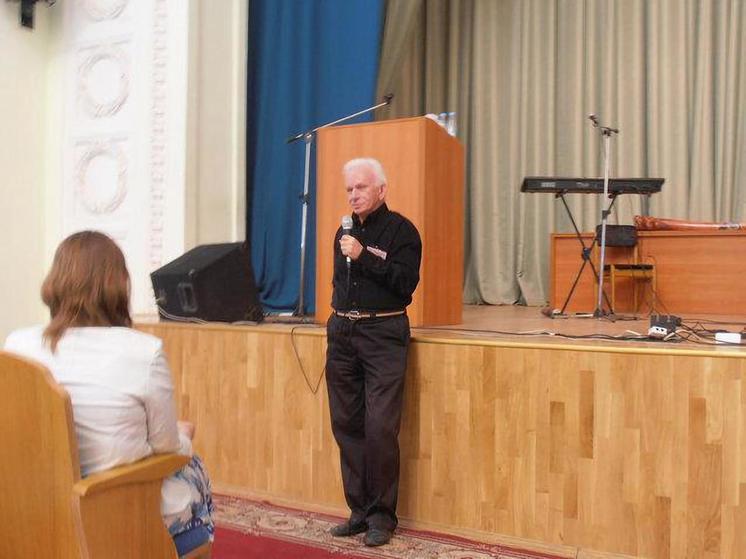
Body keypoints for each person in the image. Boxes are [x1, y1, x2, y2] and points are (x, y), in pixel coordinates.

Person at [3, 231, 214, 551]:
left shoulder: (17, 345)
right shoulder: (144, 351)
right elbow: (166, 448)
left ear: (54, 281)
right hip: (115, 515)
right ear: (119, 285)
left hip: (32, 515)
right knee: (192, 465)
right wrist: (184, 436)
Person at [326, 157, 422, 547]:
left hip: (383, 332)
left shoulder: (402, 232)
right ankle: (359, 511)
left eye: (361, 187)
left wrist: (364, 255)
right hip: (343, 332)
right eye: (349, 189)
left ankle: (383, 516)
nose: (353, 195)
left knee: (380, 426)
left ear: (381, 189)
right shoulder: (343, 232)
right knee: (346, 423)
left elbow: (405, 284)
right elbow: (340, 282)